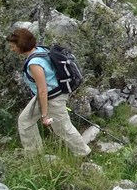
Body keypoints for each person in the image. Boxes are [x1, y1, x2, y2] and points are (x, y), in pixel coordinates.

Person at [7, 28, 91, 157]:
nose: (12, 49)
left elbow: (42, 90)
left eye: (13, 46)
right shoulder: (40, 50)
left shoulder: (34, 64)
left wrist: (44, 116)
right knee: (25, 121)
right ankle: (34, 155)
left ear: (21, 46)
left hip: (53, 98)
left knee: (62, 129)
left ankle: (83, 153)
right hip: (49, 95)